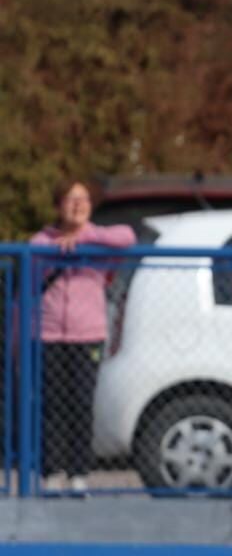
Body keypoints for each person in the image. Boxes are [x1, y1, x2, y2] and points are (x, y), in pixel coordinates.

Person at [28, 180, 136, 495]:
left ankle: (78, 474)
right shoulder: (42, 240)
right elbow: (34, 254)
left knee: (81, 403)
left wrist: (85, 236)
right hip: (49, 335)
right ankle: (52, 473)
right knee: (52, 404)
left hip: (88, 334)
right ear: (58, 205)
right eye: (70, 199)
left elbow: (127, 236)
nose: (78, 205)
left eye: (84, 199)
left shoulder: (100, 240)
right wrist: (60, 244)